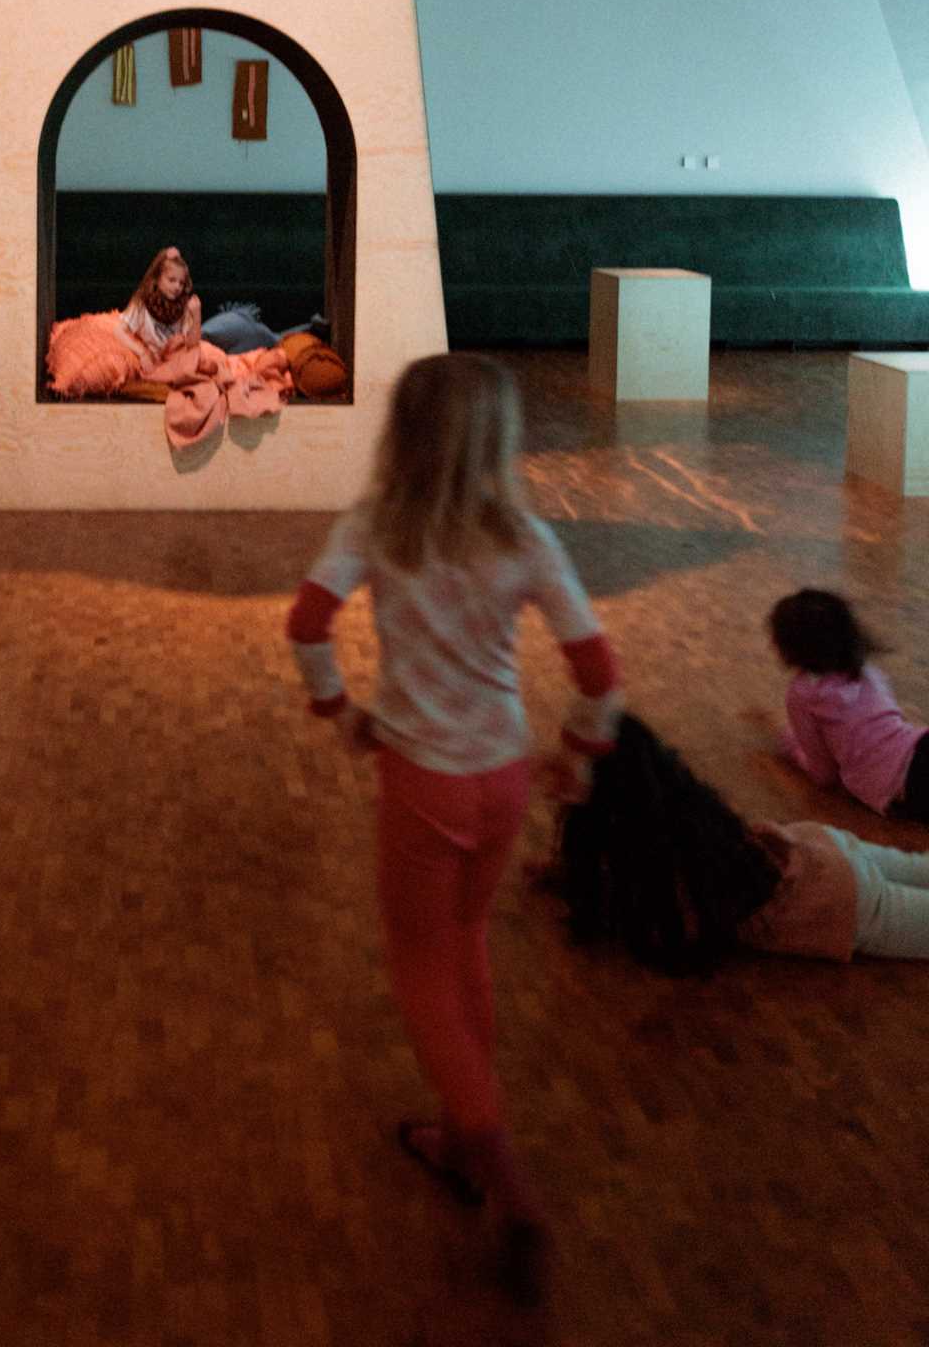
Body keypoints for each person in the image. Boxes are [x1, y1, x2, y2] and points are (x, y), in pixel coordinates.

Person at [284, 352, 622, 1308]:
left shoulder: (378, 526)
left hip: (422, 780)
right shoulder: (526, 537)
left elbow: (307, 624)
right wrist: (578, 752)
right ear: (499, 440)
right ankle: (457, 1127)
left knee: (419, 966)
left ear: (406, 433)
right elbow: (601, 673)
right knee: (467, 942)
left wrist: (335, 711)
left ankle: (496, 1164)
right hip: (504, 775)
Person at [554, 710, 929, 970]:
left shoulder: (643, 857)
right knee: (917, 867)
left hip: (833, 899)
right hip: (812, 844)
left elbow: (679, 927)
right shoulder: (686, 806)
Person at [758, 588, 929, 820]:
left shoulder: (802, 693)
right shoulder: (867, 671)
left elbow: (824, 775)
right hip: (917, 747)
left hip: (897, 783)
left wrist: (793, 748)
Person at [118, 247, 201, 363]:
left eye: (181, 283)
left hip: (174, 359)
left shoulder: (183, 306)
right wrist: (142, 354)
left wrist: (196, 316)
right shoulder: (142, 302)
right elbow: (120, 331)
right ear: (157, 278)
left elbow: (192, 345)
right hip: (151, 356)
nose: (177, 287)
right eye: (171, 280)